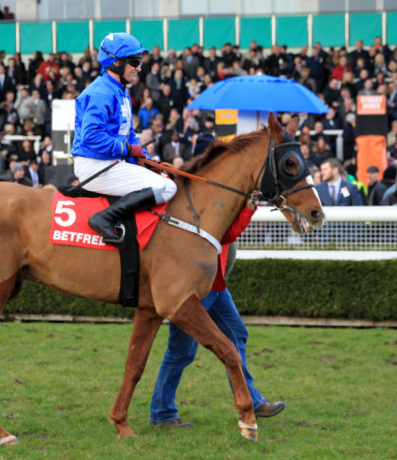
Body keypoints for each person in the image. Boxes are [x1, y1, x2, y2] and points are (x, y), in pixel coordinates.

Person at [150, 197, 285, 427]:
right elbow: (226, 234)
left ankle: (252, 401)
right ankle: (162, 413)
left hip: (215, 284)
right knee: (181, 352)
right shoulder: (206, 201)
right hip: (196, 290)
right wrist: (249, 209)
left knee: (236, 334)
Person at [71, 32, 176, 244]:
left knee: (165, 178)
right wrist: (127, 150)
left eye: (140, 62)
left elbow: (129, 136)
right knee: (167, 188)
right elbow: (91, 137)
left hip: (111, 162)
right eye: (135, 62)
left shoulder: (121, 92)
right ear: (116, 64)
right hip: (94, 165)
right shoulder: (102, 93)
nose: (139, 67)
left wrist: (144, 160)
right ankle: (104, 218)